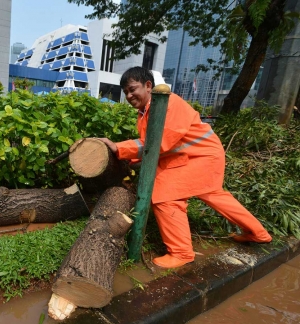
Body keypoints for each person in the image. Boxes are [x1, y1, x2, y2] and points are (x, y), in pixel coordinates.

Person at [99, 67, 271, 269]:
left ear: (148, 86)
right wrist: (136, 160)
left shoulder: (167, 103)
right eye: (125, 92)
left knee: (165, 197)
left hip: (199, 158)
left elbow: (158, 143)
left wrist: (118, 148)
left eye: (132, 89)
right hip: (198, 156)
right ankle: (259, 233)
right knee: (214, 195)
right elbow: (153, 147)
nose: (129, 95)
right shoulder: (146, 111)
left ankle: (181, 252)